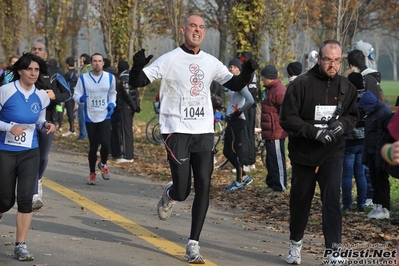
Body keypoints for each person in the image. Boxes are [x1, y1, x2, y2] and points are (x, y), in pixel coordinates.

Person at [128, 14, 258, 264]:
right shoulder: (170, 59)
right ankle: (171, 193)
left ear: (204, 33)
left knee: (204, 184)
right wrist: (136, 66)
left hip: (203, 131)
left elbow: (235, 83)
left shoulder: (210, 62)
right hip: (176, 129)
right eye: (192, 27)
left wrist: (249, 70)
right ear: (183, 29)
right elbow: (138, 81)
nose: (197, 31)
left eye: (201, 27)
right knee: (184, 190)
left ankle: (193, 244)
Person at [279, 40, 359, 264]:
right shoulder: (301, 84)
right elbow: (287, 118)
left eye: (336, 61)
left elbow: (354, 116)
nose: (332, 65)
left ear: (341, 60)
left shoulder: (347, 87)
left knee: (332, 201)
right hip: (304, 154)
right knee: (300, 201)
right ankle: (295, 244)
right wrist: (313, 132)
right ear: (319, 59)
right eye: (327, 60)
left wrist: (342, 125)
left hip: (332, 154)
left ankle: (334, 251)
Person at [0, 52, 56, 261]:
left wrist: (46, 125)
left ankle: (20, 245)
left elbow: (40, 120)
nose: (33, 73)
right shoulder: (5, 91)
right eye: (29, 69)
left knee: (25, 199)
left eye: (36, 70)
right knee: (5, 200)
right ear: (20, 71)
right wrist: (8, 127)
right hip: (5, 152)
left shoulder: (41, 95)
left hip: (30, 151)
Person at [31, 42, 71, 210]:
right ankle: (33, 194)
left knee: (42, 156)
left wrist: (55, 96)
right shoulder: (24, 71)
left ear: (46, 54)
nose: (37, 52)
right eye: (34, 49)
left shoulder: (54, 72)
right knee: (30, 155)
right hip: (28, 120)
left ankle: (38, 180)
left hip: (48, 120)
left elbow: (68, 94)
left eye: (40, 50)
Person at [73, 53, 117, 185]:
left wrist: (112, 104)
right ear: (91, 63)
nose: (97, 63)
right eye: (94, 61)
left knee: (105, 143)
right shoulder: (83, 78)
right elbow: (76, 94)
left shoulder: (110, 78)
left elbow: (113, 93)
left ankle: (103, 163)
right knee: (93, 146)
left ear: (103, 63)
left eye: (99, 61)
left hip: (105, 115)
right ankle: (92, 172)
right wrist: (81, 99)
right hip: (90, 116)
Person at [358, 90, 392, 219]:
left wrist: (379, 160)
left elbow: (382, 138)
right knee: (374, 180)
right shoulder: (372, 112)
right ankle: (377, 205)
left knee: (382, 181)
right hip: (372, 152)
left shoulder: (383, 113)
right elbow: (369, 135)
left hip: (381, 154)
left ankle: (384, 208)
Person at [223, 58, 254, 191]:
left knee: (236, 150)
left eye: (234, 67)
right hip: (231, 119)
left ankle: (240, 181)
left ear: (240, 70)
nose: (231, 69)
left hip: (238, 120)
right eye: (230, 66)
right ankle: (244, 177)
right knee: (226, 151)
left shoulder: (241, 84)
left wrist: (238, 112)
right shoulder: (231, 83)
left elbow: (250, 100)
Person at [341, 72, 368, 212]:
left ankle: (347, 204)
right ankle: (361, 204)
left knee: (346, 174)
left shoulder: (347, 97)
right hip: (363, 140)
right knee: (360, 174)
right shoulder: (367, 97)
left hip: (349, 140)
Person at [260, 65, 288, 195]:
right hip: (270, 132)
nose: (262, 80)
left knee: (277, 160)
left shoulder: (279, 91)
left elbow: (286, 110)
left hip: (276, 131)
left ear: (268, 77)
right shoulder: (272, 90)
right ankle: (271, 183)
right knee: (270, 160)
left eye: (263, 78)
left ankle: (280, 186)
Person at [114, 60, 140, 163]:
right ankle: (129, 154)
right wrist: (136, 105)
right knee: (128, 130)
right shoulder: (131, 75)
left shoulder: (124, 78)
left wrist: (133, 106)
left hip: (127, 107)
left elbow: (127, 93)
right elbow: (135, 93)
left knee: (126, 131)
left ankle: (127, 156)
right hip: (131, 107)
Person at [238, 51, 258, 172]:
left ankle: (246, 162)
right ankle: (251, 160)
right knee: (250, 133)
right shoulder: (255, 74)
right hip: (253, 106)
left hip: (246, 105)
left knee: (245, 134)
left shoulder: (247, 74)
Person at [76, 53, 92, 140]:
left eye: (81, 59)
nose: (80, 61)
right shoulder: (92, 68)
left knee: (82, 115)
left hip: (83, 96)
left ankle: (83, 134)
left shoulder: (85, 70)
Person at [62, 57, 78, 137]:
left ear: (67, 65)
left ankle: (72, 129)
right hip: (76, 95)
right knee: (71, 111)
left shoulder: (68, 74)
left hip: (69, 95)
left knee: (69, 112)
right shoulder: (77, 73)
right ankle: (73, 129)